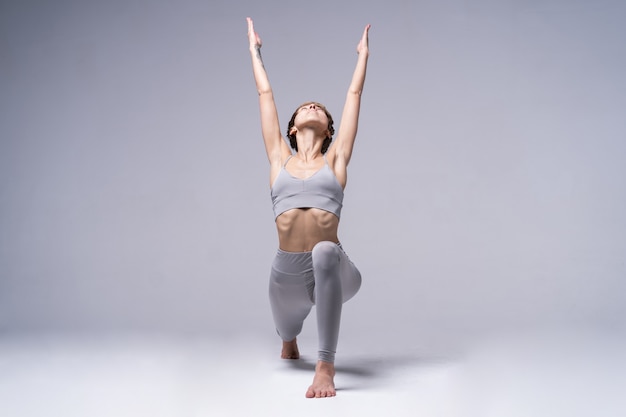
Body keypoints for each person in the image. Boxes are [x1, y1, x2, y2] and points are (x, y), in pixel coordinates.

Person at [247, 17, 370, 398]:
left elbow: (353, 96)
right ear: (293, 128)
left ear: (329, 131)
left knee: (324, 250)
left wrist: (363, 56)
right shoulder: (277, 159)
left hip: (332, 268)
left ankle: (325, 367)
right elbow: (265, 96)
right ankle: (290, 341)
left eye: (319, 108)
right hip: (285, 274)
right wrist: (255, 51)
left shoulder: (336, 162)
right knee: (286, 333)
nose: (312, 106)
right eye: (304, 108)